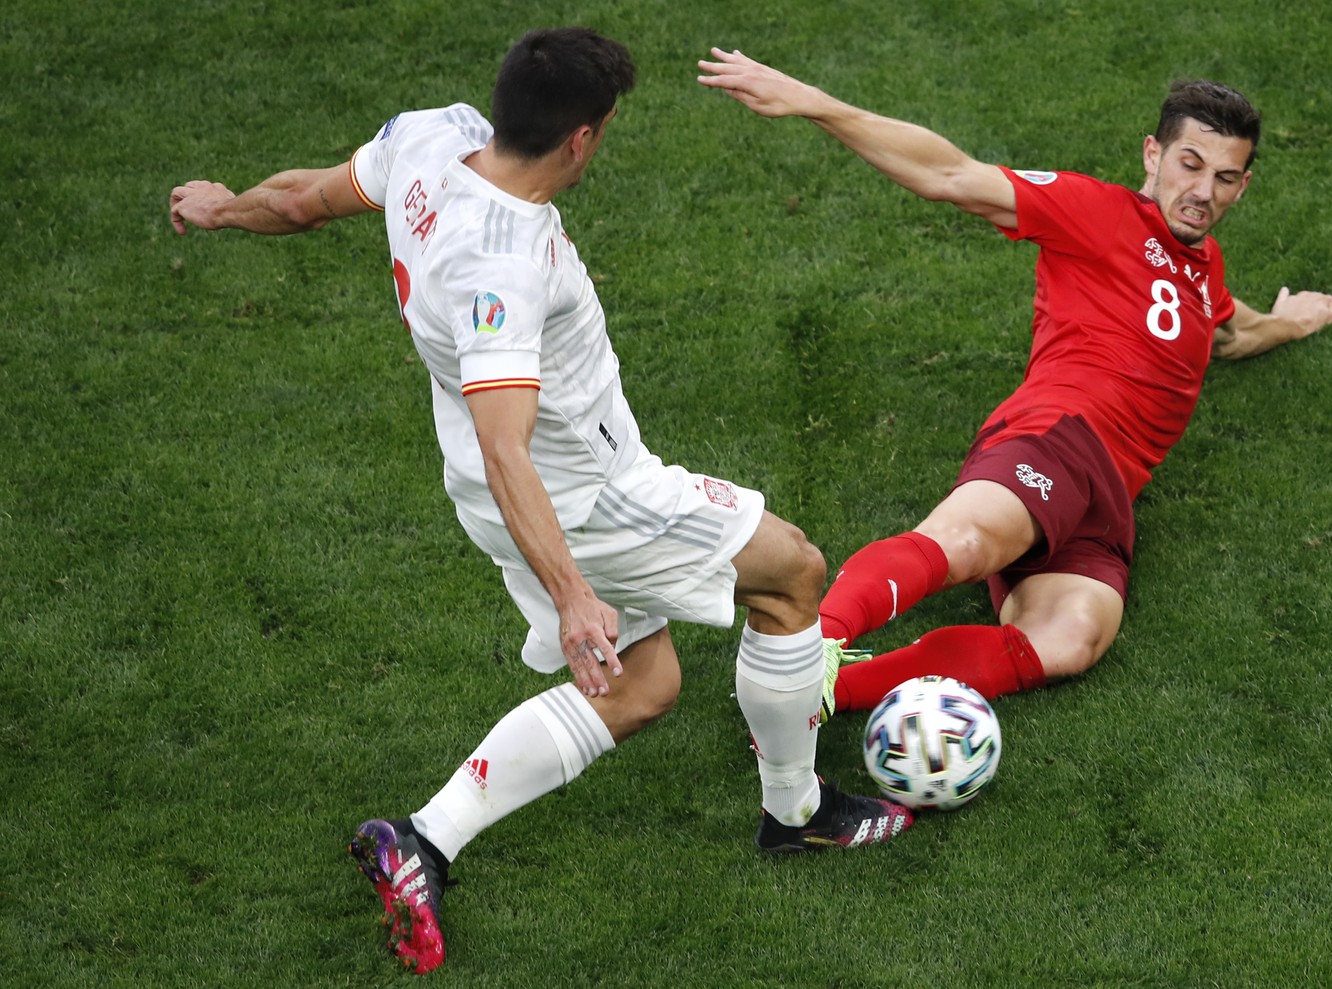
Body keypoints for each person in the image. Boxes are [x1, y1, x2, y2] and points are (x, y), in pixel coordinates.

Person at [170, 28, 913, 975]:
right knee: (794, 572)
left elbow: (306, 197)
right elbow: (506, 440)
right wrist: (572, 594)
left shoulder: (432, 138)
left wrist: (227, 207)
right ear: (582, 139)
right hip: (587, 497)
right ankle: (797, 815)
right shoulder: (503, 267)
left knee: (647, 687)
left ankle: (421, 842)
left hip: (496, 492)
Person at [697, 49, 1332, 720]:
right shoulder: (1096, 211)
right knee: (969, 544)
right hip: (1057, 439)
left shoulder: (1202, 269)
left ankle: (823, 696)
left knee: (1072, 637)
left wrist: (1291, 323)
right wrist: (815, 102)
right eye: (1190, 165)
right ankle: (807, 653)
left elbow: (1233, 333)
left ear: (1244, 184)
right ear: (1153, 154)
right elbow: (949, 173)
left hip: (1106, 502)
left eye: (1225, 177)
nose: (1203, 192)